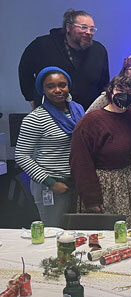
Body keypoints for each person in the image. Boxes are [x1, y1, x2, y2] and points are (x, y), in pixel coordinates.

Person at [70, 75, 131, 226]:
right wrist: (91, 197)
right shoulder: (91, 121)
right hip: (108, 188)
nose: (125, 95)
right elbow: (80, 161)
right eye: (120, 89)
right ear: (110, 91)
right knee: (113, 235)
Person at [15, 67, 85, 227]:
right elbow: (21, 155)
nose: (58, 90)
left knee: (76, 233)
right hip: (52, 186)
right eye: (51, 86)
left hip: (76, 183)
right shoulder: (35, 118)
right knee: (54, 233)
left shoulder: (78, 110)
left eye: (62, 85)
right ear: (42, 90)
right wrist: (50, 182)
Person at [19, 9, 109, 110]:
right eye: (83, 27)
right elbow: (24, 72)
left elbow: (104, 84)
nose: (89, 32)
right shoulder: (42, 45)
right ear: (68, 27)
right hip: (50, 113)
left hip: (87, 114)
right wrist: (31, 99)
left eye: (92, 29)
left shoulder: (99, 51)